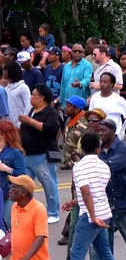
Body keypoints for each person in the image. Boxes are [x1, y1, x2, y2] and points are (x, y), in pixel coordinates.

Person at [69, 131, 118, 260]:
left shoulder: (79, 167)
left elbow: (87, 193)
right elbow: (96, 192)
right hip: (104, 213)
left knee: (77, 253)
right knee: (104, 251)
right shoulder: (104, 167)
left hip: (90, 216)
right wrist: (74, 202)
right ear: (98, 149)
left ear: (82, 149)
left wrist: (92, 216)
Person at [96, 118, 126, 260]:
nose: (100, 133)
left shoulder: (123, 148)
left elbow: (109, 166)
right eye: (99, 130)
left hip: (123, 202)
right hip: (106, 205)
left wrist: (92, 165)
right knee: (105, 245)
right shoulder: (99, 150)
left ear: (113, 131)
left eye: (103, 130)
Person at [18, 84, 61, 223]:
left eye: (34, 95)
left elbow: (52, 129)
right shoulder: (32, 110)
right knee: (23, 184)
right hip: (27, 155)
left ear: (42, 97)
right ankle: (26, 209)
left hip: (42, 155)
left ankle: (53, 212)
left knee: (49, 185)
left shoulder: (51, 112)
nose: (31, 97)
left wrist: (29, 121)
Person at [7, 175, 51, 260]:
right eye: (10, 186)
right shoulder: (14, 207)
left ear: (24, 192)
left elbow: (41, 237)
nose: (10, 190)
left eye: (14, 187)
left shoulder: (38, 209)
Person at [89, 72, 126, 140]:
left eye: (105, 82)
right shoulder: (95, 97)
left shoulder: (118, 99)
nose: (102, 84)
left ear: (111, 84)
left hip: (114, 134)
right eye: (101, 82)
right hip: (98, 134)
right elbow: (91, 115)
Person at [0, 121, 26, 228]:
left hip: (8, 194)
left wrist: (7, 169)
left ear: (3, 135)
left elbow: (23, 175)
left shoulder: (15, 152)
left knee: (5, 223)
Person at [61, 95, 88, 171]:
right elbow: (65, 140)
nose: (65, 108)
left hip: (81, 165)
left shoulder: (85, 124)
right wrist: (67, 160)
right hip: (71, 163)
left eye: (69, 106)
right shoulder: (69, 120)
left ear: (76, 109)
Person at [4, 61, 31, 128]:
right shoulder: (6, 88)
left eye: (5, 70)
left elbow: (29, 106)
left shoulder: (23, 87)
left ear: (11, 72)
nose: (3, 72)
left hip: (20, 126)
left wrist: (20, 124)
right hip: (9, 126)